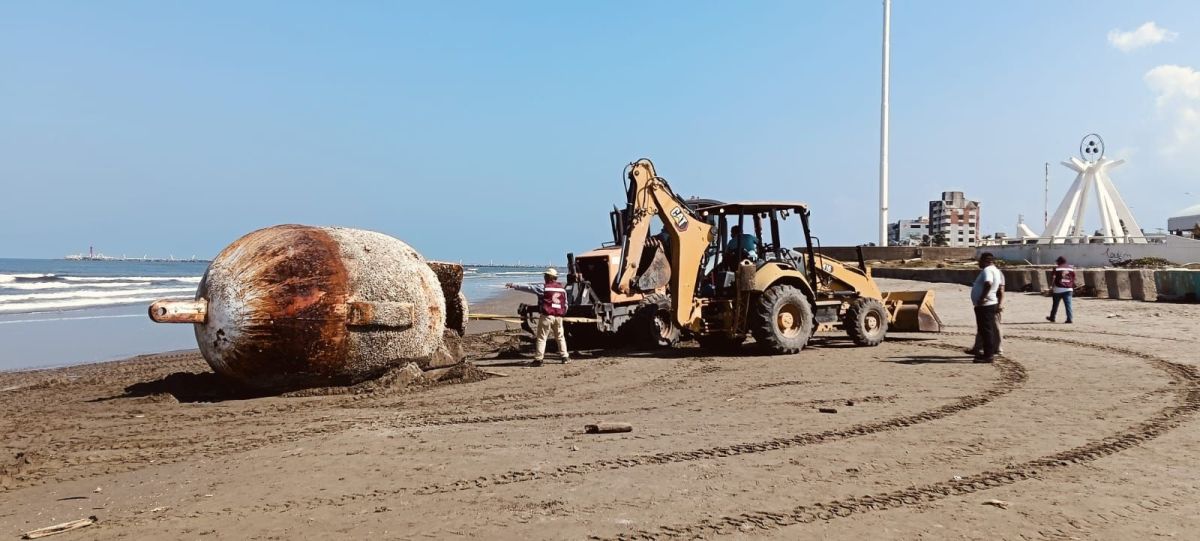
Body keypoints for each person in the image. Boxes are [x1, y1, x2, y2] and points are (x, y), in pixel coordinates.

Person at [506, 268, 569, 366]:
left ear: (549, 277)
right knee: (560, 337)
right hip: (558, 317)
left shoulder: (544, 288)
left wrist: (514, 285)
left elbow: (529, 288)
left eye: (545, 276)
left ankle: (539, 359)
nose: (544, 277)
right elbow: (565, 304)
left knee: (541, 338)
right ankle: (565, 357)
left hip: (547, 316)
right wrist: (562, 313)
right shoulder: (562, 289)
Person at [969, 252, 1004, 363]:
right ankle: (987, 353)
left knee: (986, 330)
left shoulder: (988, 270)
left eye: (980, 260)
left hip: (985, 305)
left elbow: (988, 283)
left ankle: (988, 355)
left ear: (985, 260)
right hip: (990, 303)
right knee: (986, 330)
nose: (979, 262)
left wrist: (982, 298)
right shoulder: (996, 270)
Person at [1047, 256, 1075, 324]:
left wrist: (1051, 286)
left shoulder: (1056, 268)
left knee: (1055, 304)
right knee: (1068, 305)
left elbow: (1053, 277)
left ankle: (1052, 317)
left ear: (1059, 262)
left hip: (1058, 289)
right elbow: (1073, 278)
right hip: (1068, 289)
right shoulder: (1071, 268)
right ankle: (1069, 319)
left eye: (1057, 261)